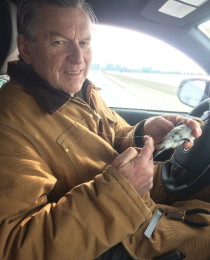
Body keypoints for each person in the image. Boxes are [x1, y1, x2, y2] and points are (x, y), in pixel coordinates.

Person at [0, 0, 209, 259]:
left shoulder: (80, 90)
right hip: (117, 238)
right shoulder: (8, 127)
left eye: (85, 43)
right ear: (26, 48)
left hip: (133, 211)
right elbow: (13, 247)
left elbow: (113, 137)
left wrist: (143, 134)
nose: (78, 58)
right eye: (59, 42)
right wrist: (122, 192)